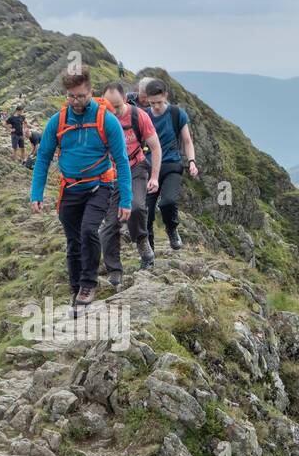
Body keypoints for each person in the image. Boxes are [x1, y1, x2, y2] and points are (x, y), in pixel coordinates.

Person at [30, 68, 131, 310]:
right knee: (73, 240)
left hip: (99, 186)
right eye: (71, 96)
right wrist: (36, 193)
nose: (76, 102)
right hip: (69, 189)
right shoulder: (58, 120)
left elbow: (122, 160)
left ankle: (88, 284)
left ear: (91, 92)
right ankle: (76, 286)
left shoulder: (107, 120)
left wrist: (126, 200)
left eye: (81, 96)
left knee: (88, 231)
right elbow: (43, 157)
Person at [98, 81, 161, 282]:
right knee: (109, 226)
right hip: (110, 174)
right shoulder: (99, 120)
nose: (113, 111)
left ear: (125, 99)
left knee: (136, 207)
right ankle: (114, 270)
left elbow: (155, 147)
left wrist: (154, 177)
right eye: (108, 106)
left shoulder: (138, 116)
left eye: (116, 106)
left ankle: (142, 241)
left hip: (136, 167)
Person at [143, 80, 198, 251]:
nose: (156, 106)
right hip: (149, 167)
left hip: (172, 165)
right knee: (146, 213)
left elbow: (187, 141)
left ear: (165, 96)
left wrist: (192, 162)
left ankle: (172, 229)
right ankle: (148, 253)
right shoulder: (144, 116)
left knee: (167, 202)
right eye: (152, 103)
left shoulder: (176, 113)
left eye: (159, 102)